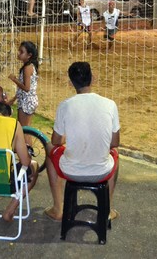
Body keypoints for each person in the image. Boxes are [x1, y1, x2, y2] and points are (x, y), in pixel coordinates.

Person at [44, 61, 120, 222]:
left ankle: (58, 208)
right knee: (115, 153)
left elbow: (56, 141)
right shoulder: (110, 104)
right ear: (92, 78)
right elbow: (114, 143)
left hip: (70, 171)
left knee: (49, 148)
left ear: (71, 82)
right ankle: (107, 210)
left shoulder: (65, 105)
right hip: (102, 171)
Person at [7, 41, 39, 128]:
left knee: (23, 129)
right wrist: (14, 99)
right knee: (26, 128)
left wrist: (14, 79)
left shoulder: (27, 68)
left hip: (26, 101)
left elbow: (26, 88)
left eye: (21, 52)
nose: (18, 53)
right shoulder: (29, 66)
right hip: (27, 100)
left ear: (29, 55)